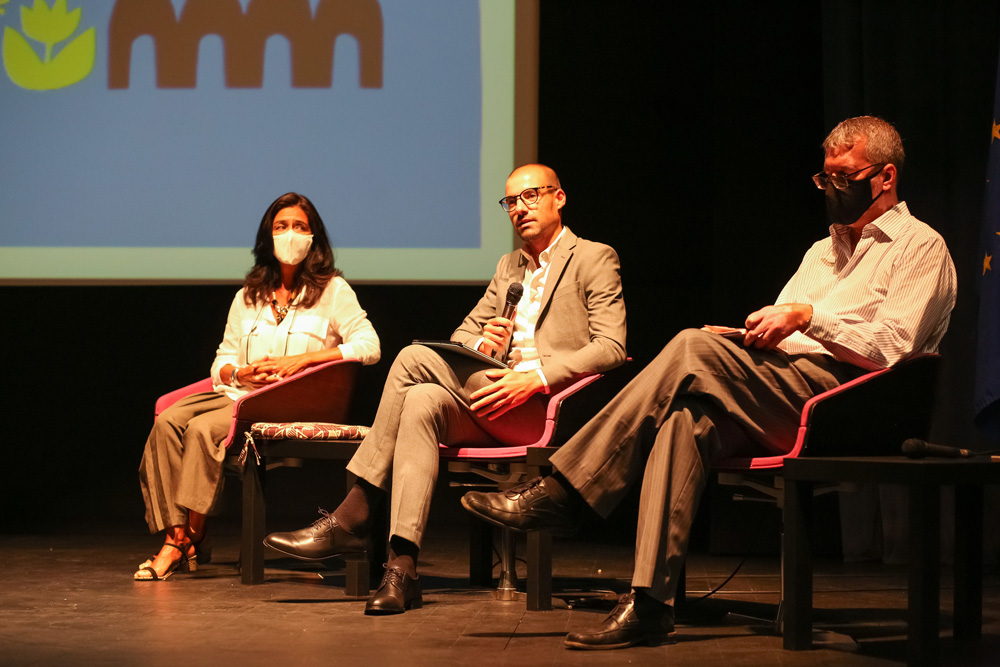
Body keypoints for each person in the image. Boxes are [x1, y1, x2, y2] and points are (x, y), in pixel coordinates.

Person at [461, 117, 957, 649]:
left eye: (845, 177)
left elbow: (893, 349)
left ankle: (565, 491)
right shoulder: (821, 251)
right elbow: (786, 332)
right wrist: (750, 337)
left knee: (690, 347)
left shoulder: (920, 246)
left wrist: (809, 317)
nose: (832, 188)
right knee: (685, 419)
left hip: (851, 402)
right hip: (785, 387)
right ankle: (650, 604)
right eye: (825, 178)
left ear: (885, 177)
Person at [264, 163, 627, 614]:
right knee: (420, 400)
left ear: (559, 197)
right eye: (511, 201)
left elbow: (612, 347)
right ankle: (402, 570)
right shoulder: (509, 266)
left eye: (531, 196)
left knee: (412, 358)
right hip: (494, 400)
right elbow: (462, 335)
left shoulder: (593, 257)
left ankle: (355, 513)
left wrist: (535, 377)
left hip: (545, 404)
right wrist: (484, 342)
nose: (520, 208)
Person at [135, 192, 381, 581]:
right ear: (268, 236)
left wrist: (305, 360)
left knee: (201, 429)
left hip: (294, 401)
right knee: (167, 421)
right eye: (281, 226)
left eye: (299, 226)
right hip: (241, 395)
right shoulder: (248, 295)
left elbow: (370, 346)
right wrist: (240, 374)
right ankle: (178, 536)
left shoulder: (333, 291)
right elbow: (221, 359)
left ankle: (186, 542)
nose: (290, 234)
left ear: (314, 237)